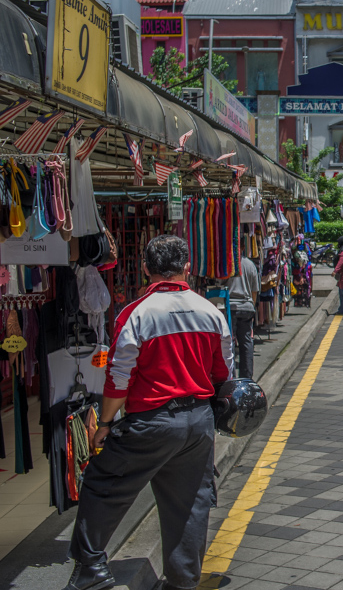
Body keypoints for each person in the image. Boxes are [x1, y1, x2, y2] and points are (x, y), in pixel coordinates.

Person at [65, 235, 233, 590]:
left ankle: (92, 567)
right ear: (188, 268)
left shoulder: (136, 313)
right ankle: (182, 581)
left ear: (145, 269)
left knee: (103, 483)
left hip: (152, 421)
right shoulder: (211, 313)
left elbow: (118, 377)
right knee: (189, 502)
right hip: (199, 422)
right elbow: (225, 375)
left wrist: (105, 424)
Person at [227, 249, 260, 379]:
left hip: (231, 307)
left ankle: (231, 377)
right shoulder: (250, 265)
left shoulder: (228, 264)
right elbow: (254, 291)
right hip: (247, 307)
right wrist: (252, 305)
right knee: (246, 342)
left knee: (229, 343)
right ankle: (246, 377)